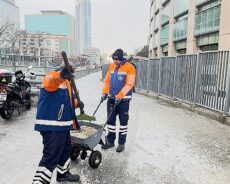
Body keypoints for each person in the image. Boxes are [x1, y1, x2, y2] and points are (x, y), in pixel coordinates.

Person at [32, 62, 83, 183]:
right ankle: (39, 182)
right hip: (52, 125)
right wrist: (61, 75)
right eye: (71, 70)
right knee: (51, 154)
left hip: (63, 125)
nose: (73, 73)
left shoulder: (67, 83)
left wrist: (77, 103)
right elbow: (51, 81)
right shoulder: (53, 76)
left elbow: (66, 102)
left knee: (66, 150)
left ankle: (63, 174)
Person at [101, 49, 136, 152]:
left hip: (124, 100)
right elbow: (107, 81)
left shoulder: (130, 67)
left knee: (123, 122)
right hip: (111, 98)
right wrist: (105, 93)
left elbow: (129, 84)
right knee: (110, 121)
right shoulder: (112, 66)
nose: (115, 62)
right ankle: (110, 141)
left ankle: (121, 143)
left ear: (121, 59)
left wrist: (120, 96)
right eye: (113, 59)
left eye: (117, 60)